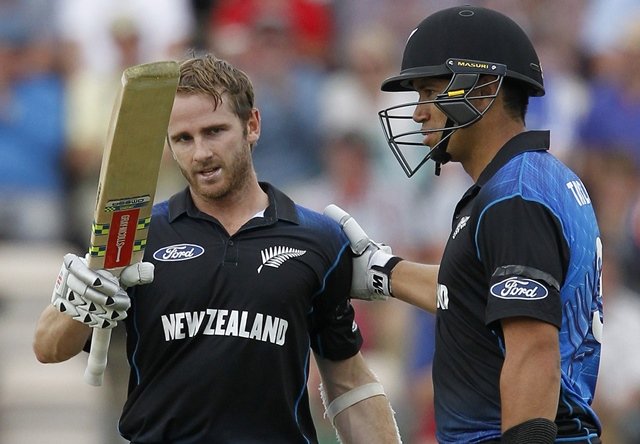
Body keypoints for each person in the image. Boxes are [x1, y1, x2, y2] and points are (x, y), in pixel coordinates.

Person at [33, 54, 400, 444]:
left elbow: (347, 381)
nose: (200, 153)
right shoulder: (138, 236)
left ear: (252, 125)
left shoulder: (318, 238)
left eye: (214, 131)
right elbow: (48, 348)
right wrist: (80, 306)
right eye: (183, 139)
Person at [325, 5, 603, 443]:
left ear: (486, 86)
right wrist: (385, 272)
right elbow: (477, 293)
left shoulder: (514, 199)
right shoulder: (532, 179)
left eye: (429, 91)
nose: (418, 113)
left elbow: (532, 352)